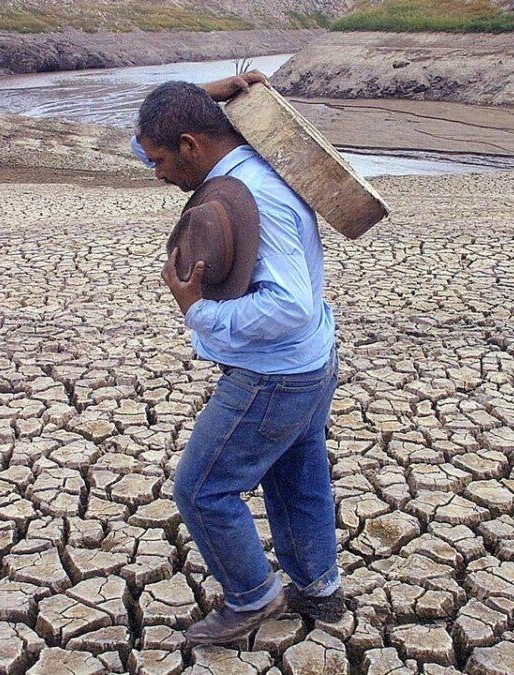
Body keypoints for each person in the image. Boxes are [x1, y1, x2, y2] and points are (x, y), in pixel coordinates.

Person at [131, 72, 345, 645]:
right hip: (308, 364)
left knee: (201, 489)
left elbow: (292, 306)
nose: (154, 172)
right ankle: (319, 590)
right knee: (297, 476)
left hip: (274, 374)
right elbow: (151, 138)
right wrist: (204, 97)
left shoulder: (255, 195)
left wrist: (199, 311)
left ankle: (252, 596)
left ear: (191, 147)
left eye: (158, 161)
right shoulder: (248, 160)